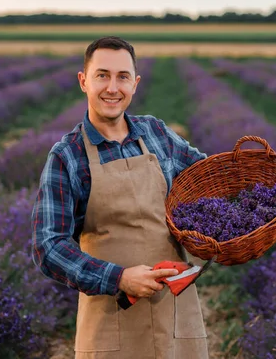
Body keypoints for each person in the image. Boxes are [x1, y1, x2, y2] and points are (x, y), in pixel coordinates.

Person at [31, 36, 209, 359]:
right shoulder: (67, 156)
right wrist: (120, 278)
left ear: (135, 84)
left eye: (122, 77)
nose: (113, 87)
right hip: (111, 326)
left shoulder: (157, 134)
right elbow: (48, 245)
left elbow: (207, 178)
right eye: (102, 75)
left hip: (176, 318)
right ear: (83, 81)